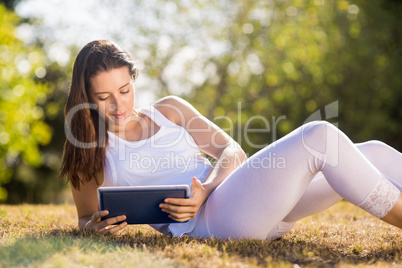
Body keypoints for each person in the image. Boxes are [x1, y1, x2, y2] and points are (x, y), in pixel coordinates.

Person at [60, 40, 402, 239]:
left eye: (125, 90)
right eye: (105, 97)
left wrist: (206, 188)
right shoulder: (90, 152)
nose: (119, 105)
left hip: (243, 200)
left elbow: (230, 149)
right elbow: (85, 219)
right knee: (320, 136)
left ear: (134, 81)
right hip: (212, 224)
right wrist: (96, 227)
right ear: (86, 96)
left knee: (372, 152)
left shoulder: (170, 109)